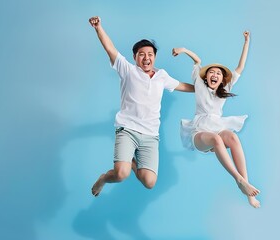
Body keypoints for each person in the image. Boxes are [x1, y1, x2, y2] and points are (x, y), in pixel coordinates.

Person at [88, 16, 194, 196]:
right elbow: (110, 48)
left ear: (155, 57)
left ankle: (133, 161)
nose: (146, 58)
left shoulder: (162, 76)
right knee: (122, 174)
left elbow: (182, 86)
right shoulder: (128, 70)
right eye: (142, 54)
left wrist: (204, 89)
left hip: (150, 135)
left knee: (149, 182)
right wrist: (98, 28)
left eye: (150, 54)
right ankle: (103, 178)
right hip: (127, 129)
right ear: (135, 57)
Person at [172, 31, 261, 208]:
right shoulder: (199, 83)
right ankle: (239, 180)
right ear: (206, 77)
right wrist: (184, 50)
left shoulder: (225, 87)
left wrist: (246, 41)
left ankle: (247, 189)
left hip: (217, 125)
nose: (214, 74)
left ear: (222, 80)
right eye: (211, 72)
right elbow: (197, 61)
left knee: (232, 137)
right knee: (216, 139)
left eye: (218, 74)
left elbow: (240, 67)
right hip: (199, 131)